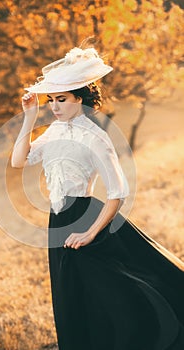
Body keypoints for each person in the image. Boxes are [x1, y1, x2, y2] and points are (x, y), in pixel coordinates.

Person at [11, 46, 184, 350]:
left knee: (118, 295)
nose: (55, 106)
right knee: (73, 297)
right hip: (59, 220)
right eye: (51, 100)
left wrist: (91, 232)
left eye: (61, 99)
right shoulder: (52, 131)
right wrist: (29, 119)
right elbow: (18, 161)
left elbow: (117, 192)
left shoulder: (95, 137)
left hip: (87, 218)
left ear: (79, 98)